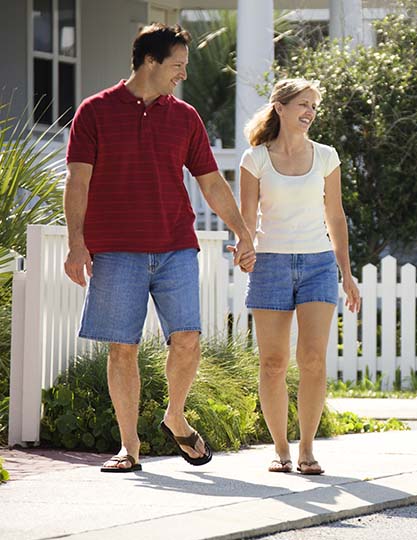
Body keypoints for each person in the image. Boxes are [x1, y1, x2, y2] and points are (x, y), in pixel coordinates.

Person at [63, 23, 256, 473]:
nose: (182, 75)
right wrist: (77, 244)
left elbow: (210, 181)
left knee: (187, 339)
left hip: (175, 247)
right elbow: (78, 181)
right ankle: (129, 448)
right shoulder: (95, 111)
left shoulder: (185, 117)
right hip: (115, 251)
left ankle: (175, 415)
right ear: (150, 61)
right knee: (122, 349)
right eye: (177, 65)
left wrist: (243, 232)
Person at [238, 78, 361, 475]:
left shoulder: (326, 156)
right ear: (280, 107)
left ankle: (307, 448)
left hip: (317, 263)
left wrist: (346, 271)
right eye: (303, 105)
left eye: (313, 106)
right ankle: (280, 449)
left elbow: (335, 216)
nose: (309, 112)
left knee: (312, 359)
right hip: (270, 264)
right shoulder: (254, 158)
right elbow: (246, 217)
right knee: (273, 363)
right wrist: (244, 245)